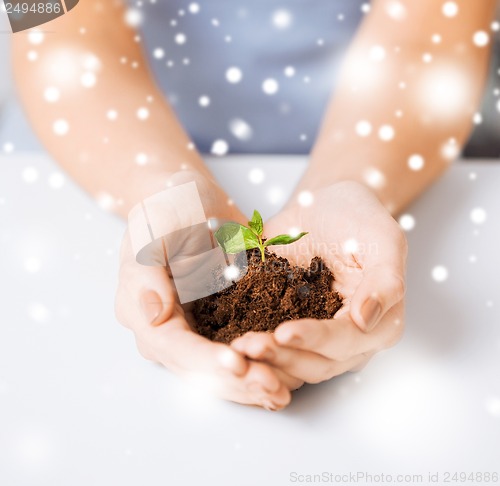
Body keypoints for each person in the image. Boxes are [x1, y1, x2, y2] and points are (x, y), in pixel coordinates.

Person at [12, 0, 497, 411]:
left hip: (385, 137)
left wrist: (348, 183)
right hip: (106, 139)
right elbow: (52, 28)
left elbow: (433, 33)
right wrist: (161, 189)